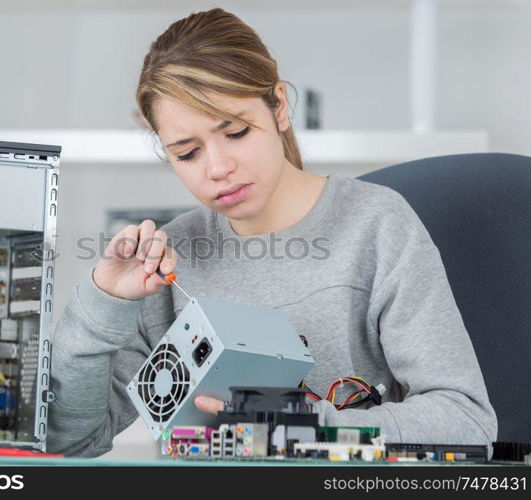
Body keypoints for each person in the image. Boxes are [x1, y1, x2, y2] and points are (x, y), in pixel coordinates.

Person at [46, 8, 497, 457]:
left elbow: (466, 419)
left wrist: (293, 427)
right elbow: (71, 440)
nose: (219, 168)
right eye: (187, 154)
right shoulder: (170, 261)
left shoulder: (376, 225)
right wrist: (104, 302)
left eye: (237, 132)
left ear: (279, 106)